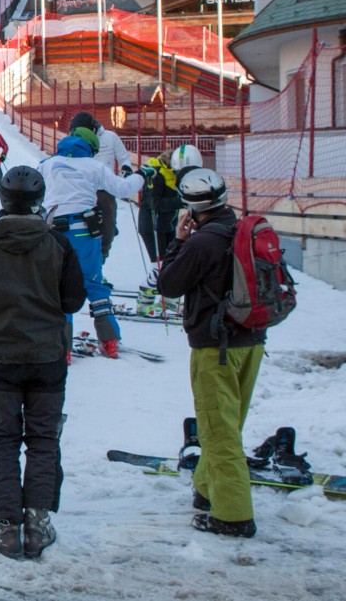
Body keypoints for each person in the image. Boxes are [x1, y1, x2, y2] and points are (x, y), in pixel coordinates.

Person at [0, 167, 87, 559]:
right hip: (48, 355)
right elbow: (73, 301)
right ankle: (37, 521)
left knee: (2, 439)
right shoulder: (58, 244)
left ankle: (4, 523)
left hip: (3, 354)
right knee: (43, 438)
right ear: (38, 199)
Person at [156, 169, 261, 538]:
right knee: (225, 427)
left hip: (215, 348)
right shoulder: (240, 230)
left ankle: (233, 517)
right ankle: (206, 489)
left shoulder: (202, 243)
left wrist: (178, 241)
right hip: (251, 342)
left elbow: (168, 284)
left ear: (192, 208)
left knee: (218, 432)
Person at [38, 127, 143, 358]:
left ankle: (62, 348)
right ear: (90, 148)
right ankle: (109, 340)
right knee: (94, 284)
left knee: (58, 286)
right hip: (85, 232)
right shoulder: (95, 166)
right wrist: (142, 175)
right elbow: (123, 188)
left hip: (55, 232)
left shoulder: (46, 164)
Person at [68, 112, 133, 261]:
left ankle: (102, 257)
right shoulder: (74, 139)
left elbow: (124, 158)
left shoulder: (110, 137)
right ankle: (86, 263)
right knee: (85, 228)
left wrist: (126, 169)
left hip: (105, 191)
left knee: (107, 229)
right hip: (83, 190)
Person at [135, 148, 184, 307]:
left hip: (168, 225)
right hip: (152, 227)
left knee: (172, 264)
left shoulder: (174, 175)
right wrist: (182, 202)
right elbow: (156, 204)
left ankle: (169, 299)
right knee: (159, 267)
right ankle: (144, 298)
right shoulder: (156, 175)